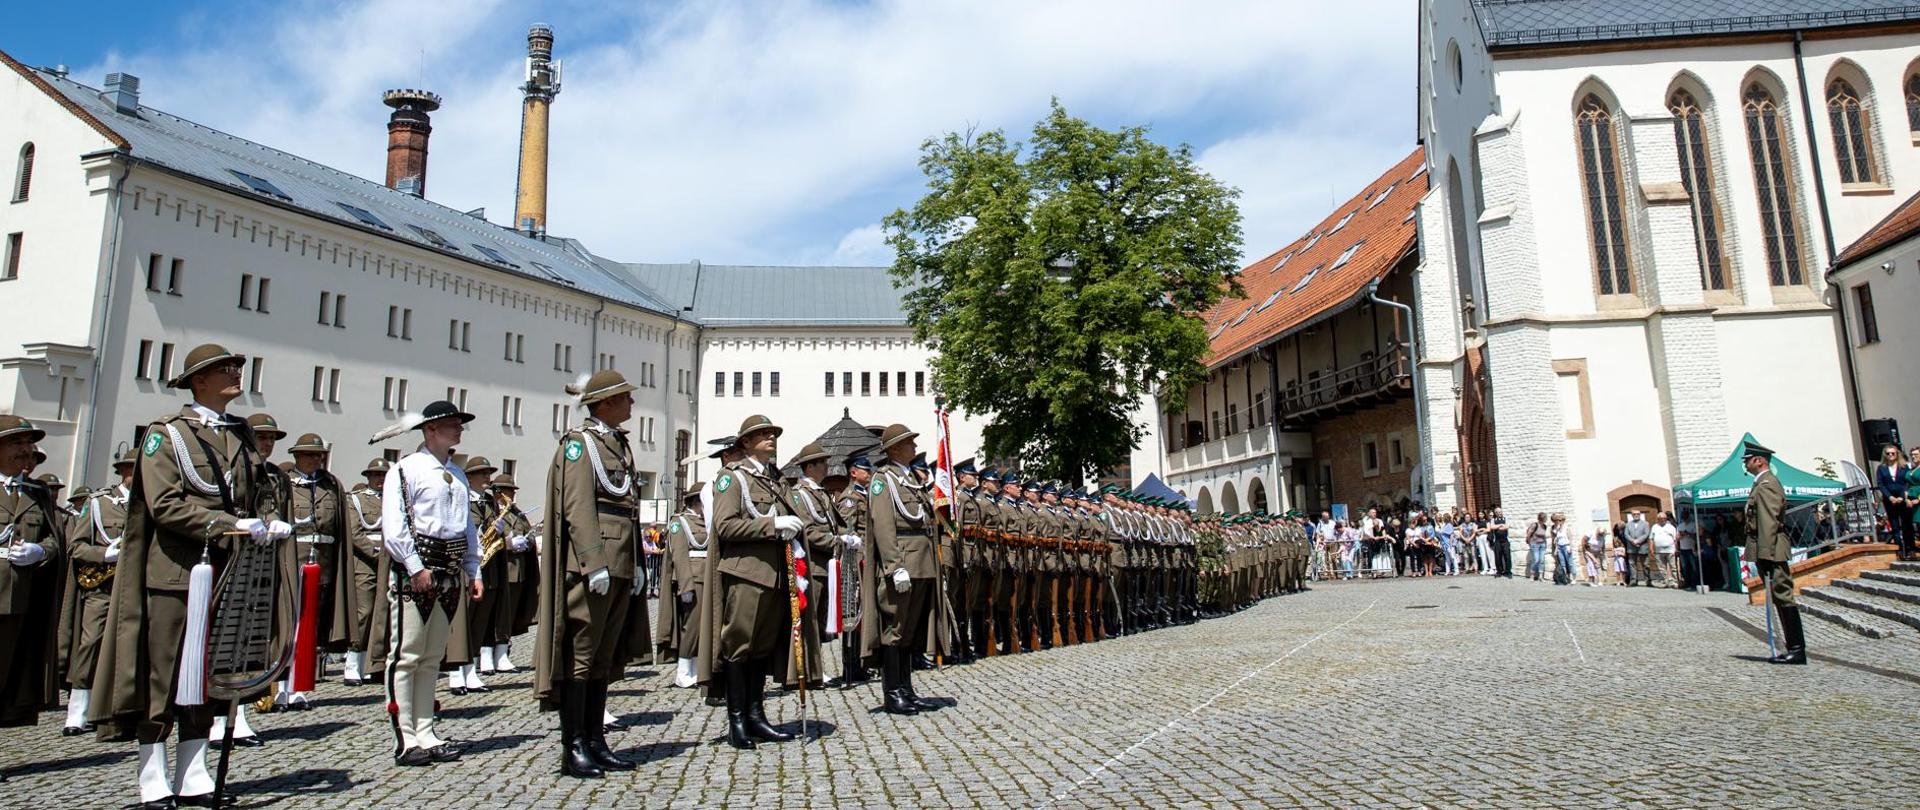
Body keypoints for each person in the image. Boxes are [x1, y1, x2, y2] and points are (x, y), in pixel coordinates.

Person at [90, 345, 294, 808]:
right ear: (198, 381)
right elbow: (164, 505)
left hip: (228, 571)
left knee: (210, 673)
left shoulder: (240, 433)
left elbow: (257, 491)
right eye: (224, 369)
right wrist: (229, 524)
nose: (235, 374)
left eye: (237, 368)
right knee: (163, 673)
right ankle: (152, 773)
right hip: (177, 572)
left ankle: (193, 771)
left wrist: (268, 520)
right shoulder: (168, 435)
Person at [535, 370, 652, 775]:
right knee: (581, 656)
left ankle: (596, 741)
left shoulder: (616, 444)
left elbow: (628, 510)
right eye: (625, 397)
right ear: (605, 403)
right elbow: (578, 507)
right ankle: (574, 746)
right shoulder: (579, 444)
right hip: (594, 565)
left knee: (603, 655)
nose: (631, 403)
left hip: (620, 562)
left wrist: (636, 562)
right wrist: (593, 562)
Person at [374, 399, 483, 768]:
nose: (460, 430)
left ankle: (426, 730)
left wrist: (474, 569)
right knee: (407, 655)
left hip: (450, 572)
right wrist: (414, 565)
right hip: (417, 571)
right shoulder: (404, 471)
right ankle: (405, 737)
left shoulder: (458, 474)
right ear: (431, 429)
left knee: (433, 657)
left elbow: (467, 526)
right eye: (453, 424)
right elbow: (395, 526)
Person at [704, 414, 803, 749]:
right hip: (745, 572)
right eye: (762, 434)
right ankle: (737, 722)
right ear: (745, 442)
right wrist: (772, 526)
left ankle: (756, 715)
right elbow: (725, 525)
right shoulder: (732, 478)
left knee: (761, 648)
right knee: (739, 646)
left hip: (775, 573)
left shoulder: (774, 479)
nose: (771, 438)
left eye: (773, 434)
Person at [1, 415, 66, 775]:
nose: (26, 451)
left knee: (7, 676)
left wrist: (39, 551)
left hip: (21, 599)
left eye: (28, 443)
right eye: (16, 443)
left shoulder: (36, 493)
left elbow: (54, 541)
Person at [863, 424, 943, 715]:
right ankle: (893, 692)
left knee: (910, 630)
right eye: (909, 443)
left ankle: (907, 690)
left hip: (922, 563)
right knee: (895, 629)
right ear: (895, 449)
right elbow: (884, 526)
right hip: (904, 563)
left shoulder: (910, 478)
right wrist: (894, 566)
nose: (914, 447)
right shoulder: (883, 480)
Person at [58, 449, 133, 736]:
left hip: (134, 587)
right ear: (121, 471)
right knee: (90, 644)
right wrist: (104, 555)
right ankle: (78, 710)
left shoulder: (151, 503)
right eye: (131, 468)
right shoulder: (99, 504)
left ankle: (116, 711)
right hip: (103, 587)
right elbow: (76, 547)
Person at [275, 433, 352, 712]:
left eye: (318, 455)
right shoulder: (284, 483)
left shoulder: (330, 485)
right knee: (287, 627)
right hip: (291, 564)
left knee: (311, 627)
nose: (315, 459)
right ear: (297, 457)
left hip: (322, 567)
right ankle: (280, 687)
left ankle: (299, 687)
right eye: (309, 454)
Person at [1742, 440, 1803, 665]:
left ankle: (1796, 649)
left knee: (1783, 594)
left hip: (1772, 549)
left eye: (1748, 460)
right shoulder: (1761, 483)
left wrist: (1765, 553)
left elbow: (1768, 521)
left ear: (1759, 461)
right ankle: (1791, 647)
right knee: (1778, 596)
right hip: (1768, 547)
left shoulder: (1767, 484)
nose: (1745, 464)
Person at [656, 485, 709, 689]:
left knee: (701, 628)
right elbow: (678, 554)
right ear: (696, 501)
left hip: (706, 576)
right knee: (691, 627)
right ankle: (683, 672)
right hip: (692, 579)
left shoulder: (707, 521)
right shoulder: (679, 522)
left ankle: (695, 669)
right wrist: (686, 585)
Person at [343, 459, 390, 686]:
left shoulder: (395, 499)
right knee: (365, 611)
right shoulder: (356, 500)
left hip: (390, 559)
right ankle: (353, 663)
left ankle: (376, 664)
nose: (380, 479)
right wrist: (376, 554)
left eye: (384, 475)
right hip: (365, 562)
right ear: (368, 477)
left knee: (386, 614)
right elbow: (355, 533)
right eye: (376, 475)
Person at [1877, 444, 1913, 561]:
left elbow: (1907, 482)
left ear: (1897, 454)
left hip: (1903, 499)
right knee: (1895, 525)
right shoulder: (1881, 468)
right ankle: (1900, 549)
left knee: (1906, 524)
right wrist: (1890, 497)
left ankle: (1909, 549)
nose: (1890, 455)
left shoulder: (1904, 466)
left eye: (1893, 453)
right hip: (1890, 500)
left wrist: (1902, 496)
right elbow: (1881, 484)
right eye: (1888, 453)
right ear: (1885, 455)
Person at [1649, 511, 1678, 589]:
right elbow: (1651, 538)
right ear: (1658, 519)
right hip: (1659, 551)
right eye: (1661, 518)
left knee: (1673, 567)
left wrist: (1676, 549)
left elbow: (1675, 539)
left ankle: (1674, 582)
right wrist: (1651, 548)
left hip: (1670, 550)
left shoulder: (1671, 527)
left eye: (1664, 518)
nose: (1662, 520)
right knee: (1661, 568)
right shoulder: (1654, 527)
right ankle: (1665, 581)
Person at [1624, 511, 1653, 586]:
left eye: (1637, 514)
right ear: (1632, 515)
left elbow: (1646, 534)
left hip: (1642, 546)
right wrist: (1632, 541)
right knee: (1632, 564)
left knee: (1645, 564)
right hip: (1631, 547)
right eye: (1634, 514)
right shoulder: (1628, 524)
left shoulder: (1645, 524)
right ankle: (1633, 580)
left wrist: (1638, 541)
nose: (1636, 515)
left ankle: (1648, 580)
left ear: (1640, 515)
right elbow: (1626, 534)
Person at [1488, 508, 1511, 578]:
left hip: (1505, 540)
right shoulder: (1493, 520)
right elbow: (1492, 527)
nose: (1500, 513)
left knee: (1507, 556)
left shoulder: (1506, 518)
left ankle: (1508, 571)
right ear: (1496, 513)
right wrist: (1501, 525)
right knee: (1498, 557)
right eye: (1498, 512)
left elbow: (1507, 526)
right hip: (1497, 541)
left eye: (1501, 512)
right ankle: (1499, 571)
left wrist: (1498, 527)